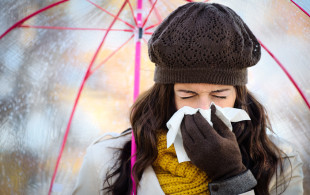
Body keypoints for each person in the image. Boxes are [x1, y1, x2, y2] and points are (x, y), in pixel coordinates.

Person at [73, 2, 303, 195]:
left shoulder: (279, 162)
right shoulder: (106, 159)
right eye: (187, 94)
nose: (203, 108)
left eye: (220, 95)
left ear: (238, 95)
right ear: (166, 95)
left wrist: (232, 176)